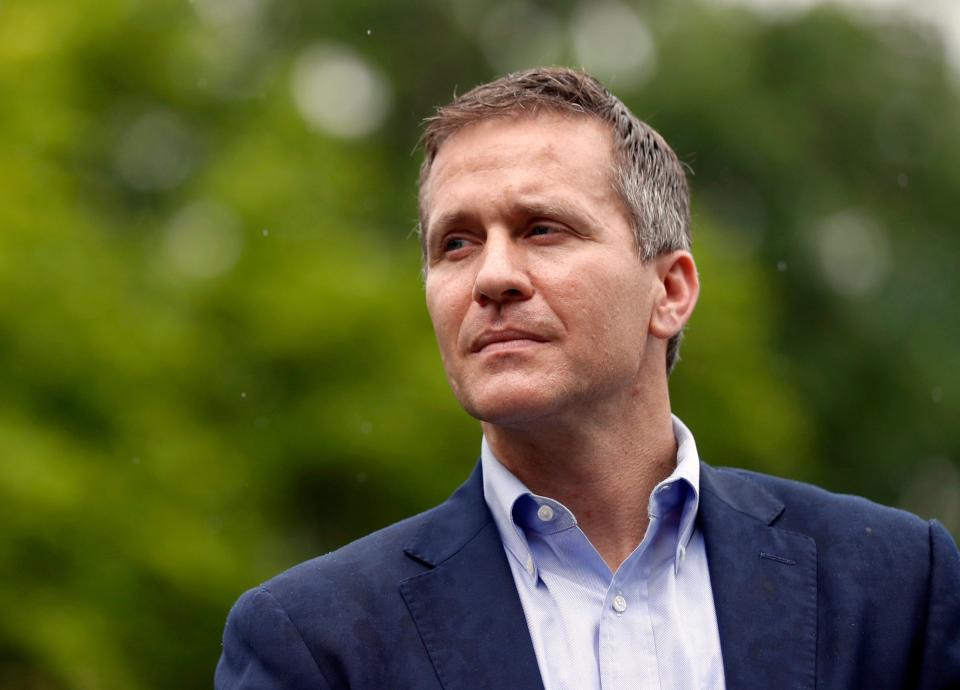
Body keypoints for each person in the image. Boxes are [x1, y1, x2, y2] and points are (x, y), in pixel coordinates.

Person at [215, 67, 960, 689]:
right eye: (456, 243)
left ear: (669, 291)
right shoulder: (314, 643)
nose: (493, 277)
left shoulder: (895, 588)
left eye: (543, 228)